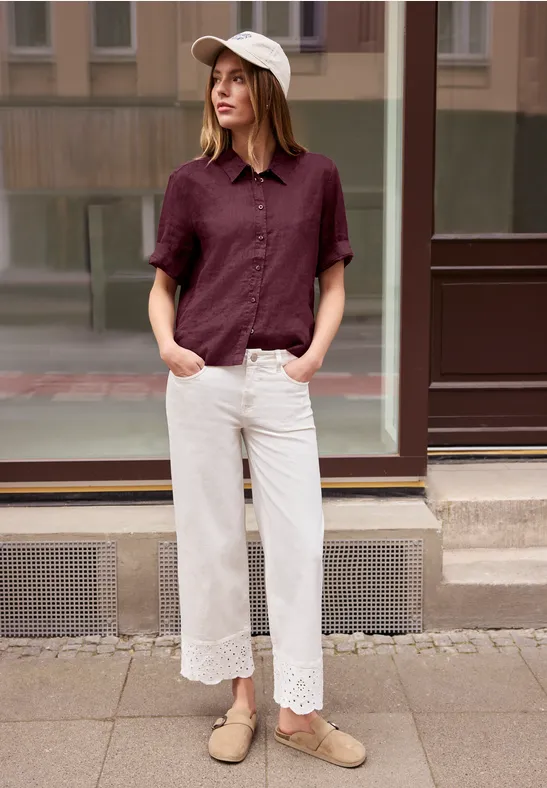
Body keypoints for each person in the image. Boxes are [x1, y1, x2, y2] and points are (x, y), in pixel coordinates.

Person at [147, 30, 366, 769]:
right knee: (211, 541)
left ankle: (299, 713)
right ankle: (240, 699)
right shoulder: (191, 182)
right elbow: (164, 284)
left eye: (238, 77)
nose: (222, 88)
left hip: (282, 380)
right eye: (218, 77)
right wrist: (170, 349)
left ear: (268, 87)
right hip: (201, 377)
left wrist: (313, 358)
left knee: (300, 540)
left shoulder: (319, 176)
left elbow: (332, 280)